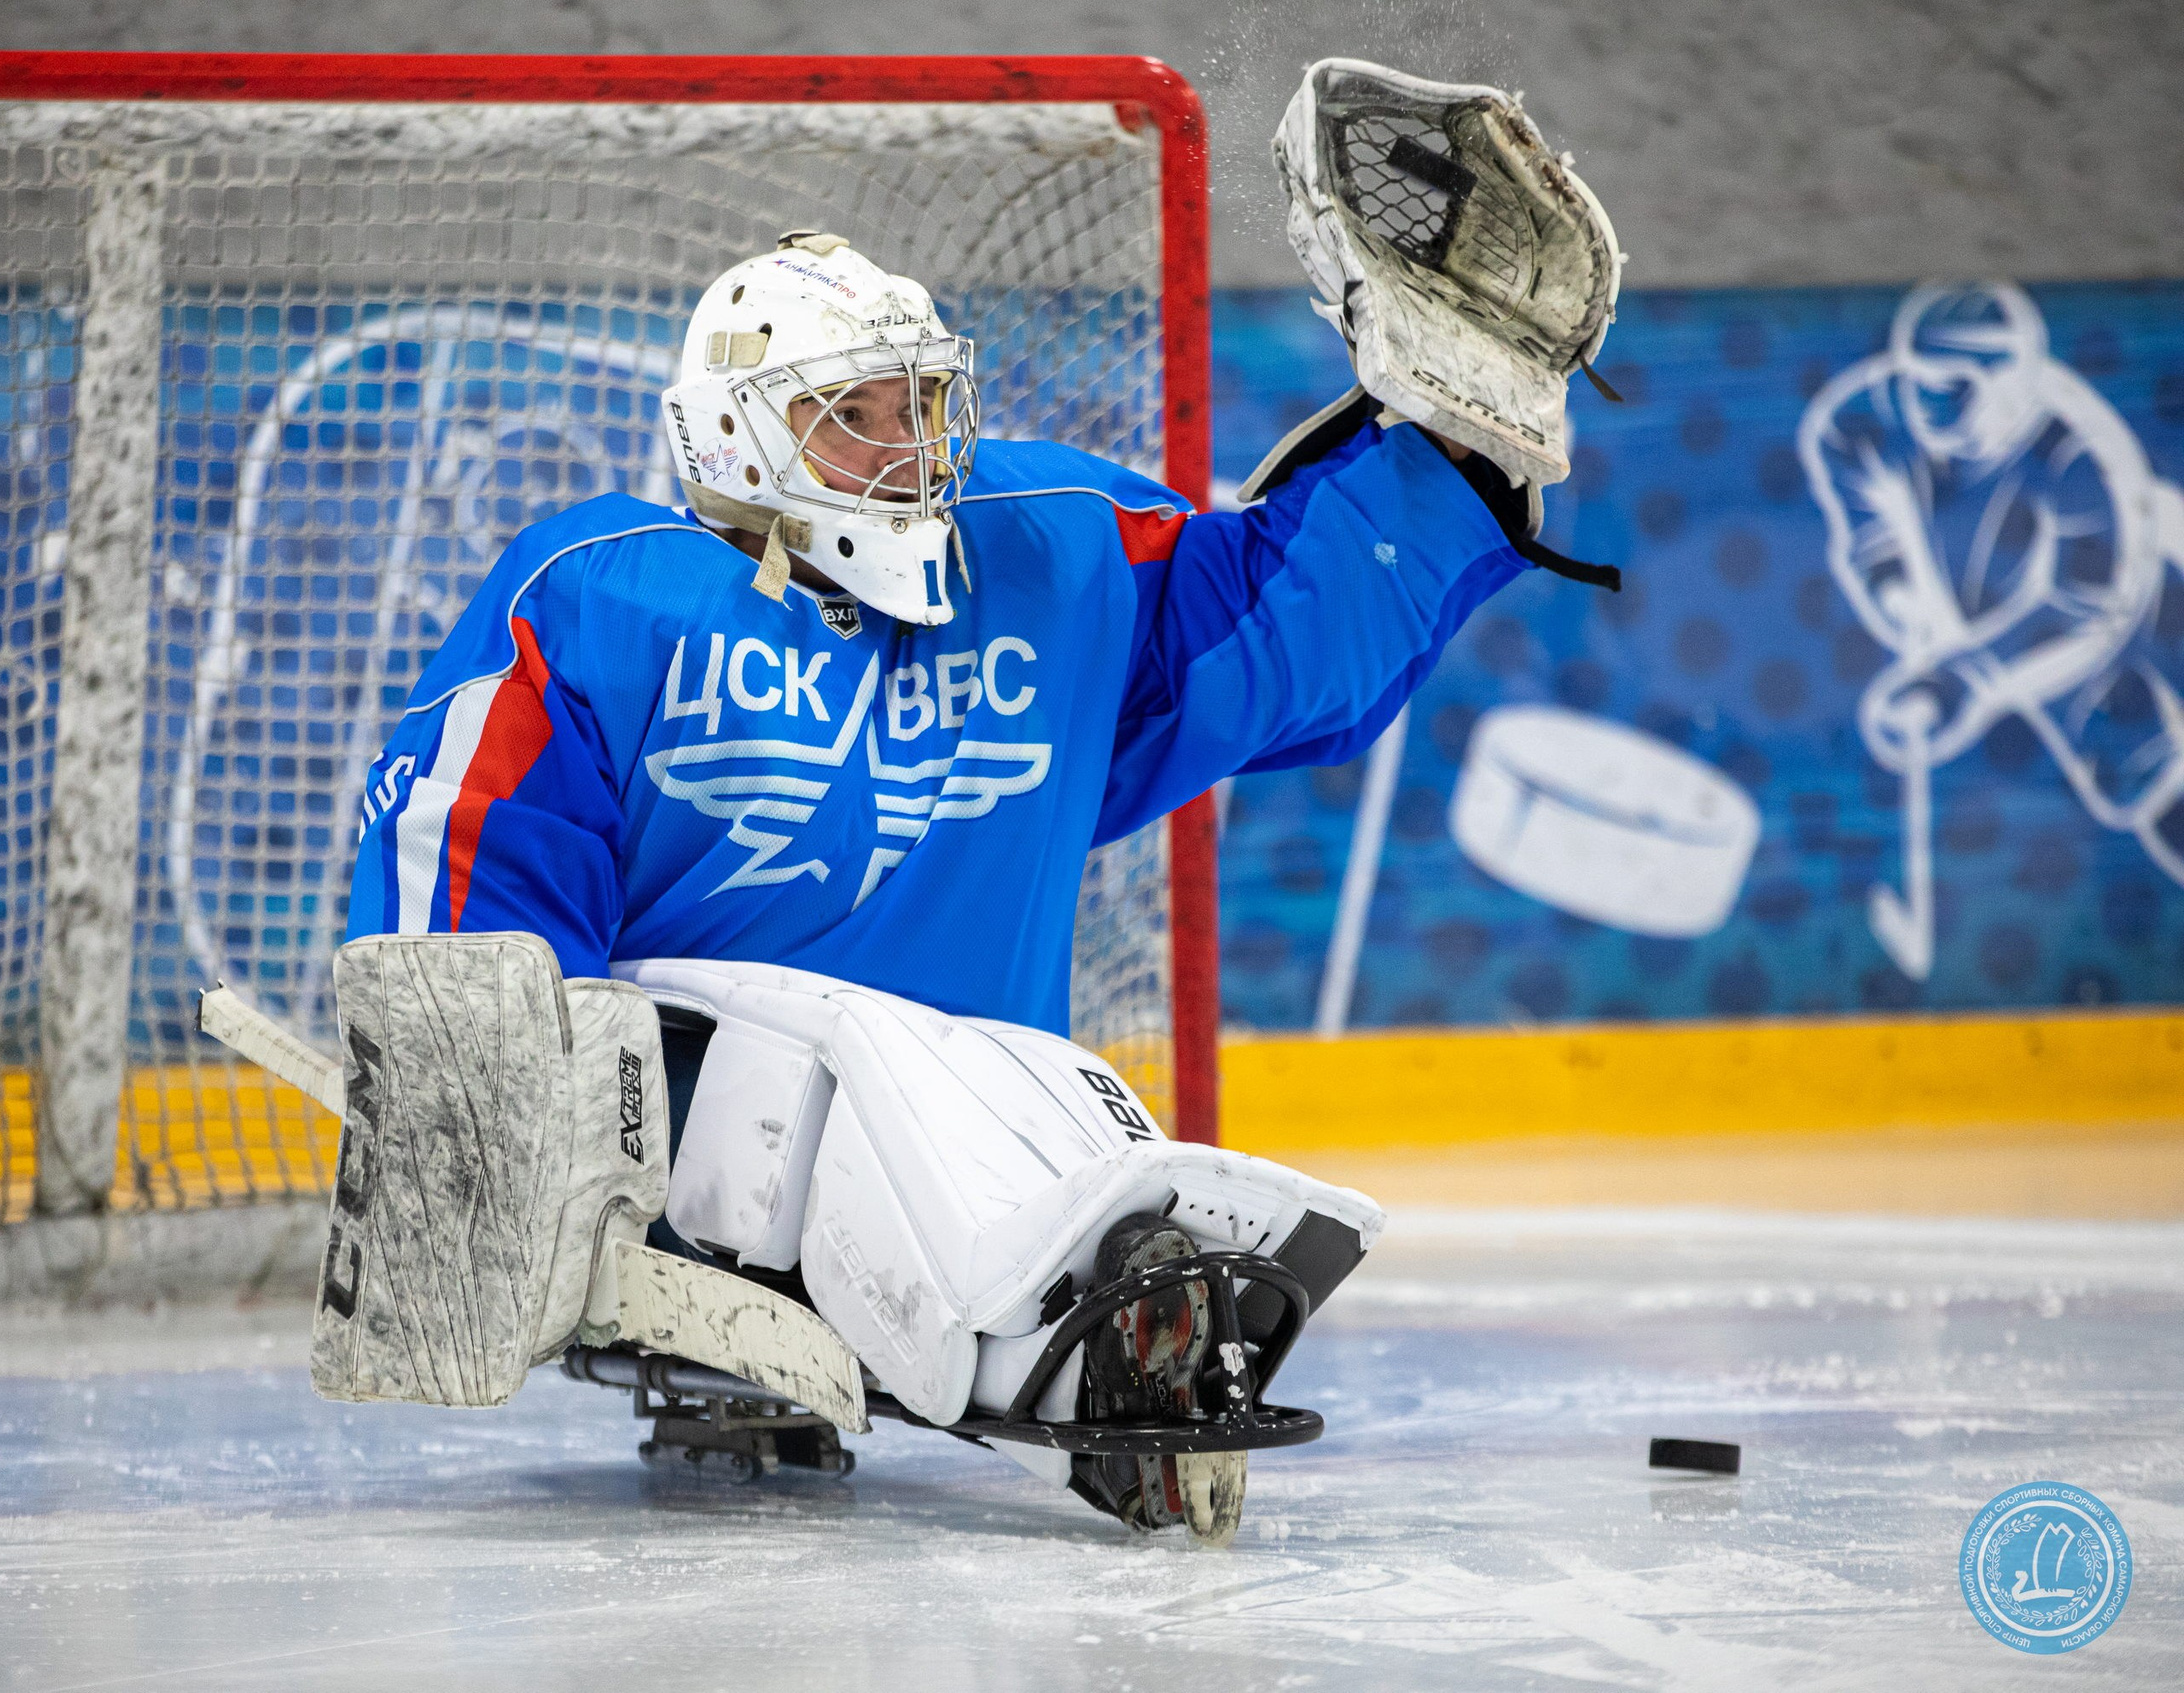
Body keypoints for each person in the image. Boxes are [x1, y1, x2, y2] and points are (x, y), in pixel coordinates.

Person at [340, 228, 1570, 1537]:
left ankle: (1079, 1317)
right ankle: (1074, 1341)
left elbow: (1279, 630)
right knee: (807, 1076)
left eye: (921, 405)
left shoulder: (1046, 552)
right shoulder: (599, 598)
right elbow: (474, 870)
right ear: (736, 437)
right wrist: (486, 1179)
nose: (908, 451)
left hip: (984, 1120)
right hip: (692, 1154)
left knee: (1040, 1127)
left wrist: (1455, 441)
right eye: (851, 418)